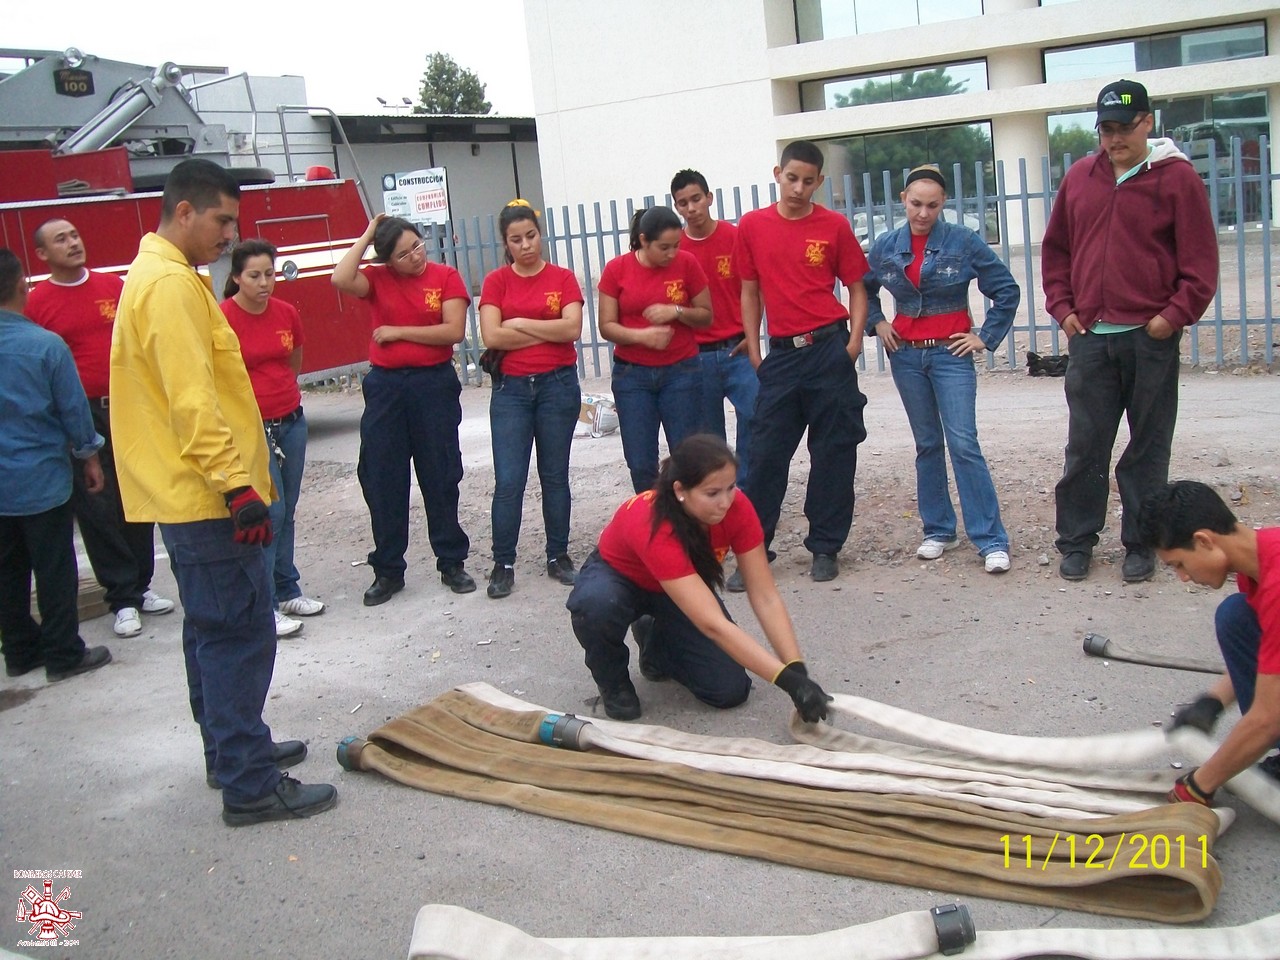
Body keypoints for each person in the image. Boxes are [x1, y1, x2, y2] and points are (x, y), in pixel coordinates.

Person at [111, 158, 336, 826]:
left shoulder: (155, 275)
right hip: (209, 498)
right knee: (239, 635)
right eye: (222, 220)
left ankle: (232, 750)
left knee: (211, 633)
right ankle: (249, 782)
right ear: (185, 212)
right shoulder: (172, 287)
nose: (231, 235)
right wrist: (238, 487)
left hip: (186, 496)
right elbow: (192, 400)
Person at [1042, 78, 1218, 585]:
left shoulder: (1176, 179)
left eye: (1123, 128)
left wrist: (1171, 317)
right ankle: (1076, 542)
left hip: (1150, 338)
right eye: (1105, 130)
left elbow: (1200, 264)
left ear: (1147, 123)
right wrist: (1064, 309)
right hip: (1092, 338)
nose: (1114, 139)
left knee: (1148, 448)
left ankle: (1140, 543)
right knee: (1086, 445)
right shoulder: (1080, 177)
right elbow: (1056, 252)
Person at [566, 433, 833, 723]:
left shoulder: (738, 509)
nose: (725, 502)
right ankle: (613, 683)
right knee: (597, 604)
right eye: (712, 493)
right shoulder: (653, 522)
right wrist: (789, 683)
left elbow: (765, 596)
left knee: (728, 690)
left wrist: (797, 669)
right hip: (619, 580)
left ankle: (656, 642)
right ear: (680, 490)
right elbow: (712, 624)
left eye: (731, 487)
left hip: (677, 587)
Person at [865, 165, 1019, 575]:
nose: (923, 213)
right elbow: (862, 289)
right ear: (903, 199)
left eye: (932, 205)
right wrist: (877, 322)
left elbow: (1005, 289)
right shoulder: (885, 245)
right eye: (916, 204)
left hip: (952, 354)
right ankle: (938, 529)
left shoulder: (963, 241)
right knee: (927, 443)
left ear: (943, 204)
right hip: (907, 355)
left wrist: (984, 337)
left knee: (964, 442)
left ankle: (990, 539)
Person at [27, 218, 176, 639]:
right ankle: (122, 597)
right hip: (79, 416)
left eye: (75, 234)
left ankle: (142, 585)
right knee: (97, 506)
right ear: (42, 254)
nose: (73, 243)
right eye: (61, 240)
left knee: (139, 496)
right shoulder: (39, 303)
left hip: (129, 406)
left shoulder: (114, 287)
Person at [731, 139, 869, 588]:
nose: (799, 187)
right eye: (792, 178)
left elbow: (857, 287)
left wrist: (851, 346)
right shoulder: (751, 226)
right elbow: (748, 291)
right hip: (782, 356)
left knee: (832, 451)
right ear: (777, 174)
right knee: (765, 455)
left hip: (829, 350)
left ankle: (825, 546)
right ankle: (754, 551)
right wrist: (754, 351)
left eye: (809, 181)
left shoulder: (833, 226)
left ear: (819, 182)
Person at [332, 214, 476, 604]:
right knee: (382, 477)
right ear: (387, 261)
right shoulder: (377, 281)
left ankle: (451, 561)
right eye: (403, 253)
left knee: (441, 472)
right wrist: (366, 234)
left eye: (417, 245)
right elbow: (340, 278)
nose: (415, 256)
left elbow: (453, 331)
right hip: (386, 388)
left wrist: (398, 331)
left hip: (433, 384)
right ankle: (388, 569)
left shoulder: (445, 276)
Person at [0, 248, 112, 683]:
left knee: (8, 569)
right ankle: (64, 652)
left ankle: (20, 650)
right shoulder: (45, 346)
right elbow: (73, 410)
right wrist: (90, 456)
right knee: (54, 566)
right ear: (22, 286)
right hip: (41, 476)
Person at [1137, 481, 1280, 807]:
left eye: (1179, 565)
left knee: (1236, 617)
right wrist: (1214, 701)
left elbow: (1270, 716)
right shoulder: (1261, 558)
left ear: (1203, 540)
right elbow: (1273, 658)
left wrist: (1199, 786)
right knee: (1237, 617)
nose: (1183, 577)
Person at [477, 200, 584, 599]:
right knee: (509, 480)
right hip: (512, 392)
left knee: (555, 475)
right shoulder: (496, 282)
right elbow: (493, 336)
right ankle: (503, 562)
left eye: (531, 236)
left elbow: (572, 328)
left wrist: (519, 323)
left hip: (558, 386)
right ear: (506, 244)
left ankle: (558, 555)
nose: (526, 245)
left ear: (540, 233)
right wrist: (547, 330)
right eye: (516, 240)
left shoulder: (563, 277)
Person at [220, 240, 325, 636]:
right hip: (251, 428)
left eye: (269, 274)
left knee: (290, 508)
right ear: (235, 278)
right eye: (254, 276)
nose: (264, 283)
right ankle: (262, 605)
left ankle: (287, 588)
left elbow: (293, 360)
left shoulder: (285, 313)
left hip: (291, 421)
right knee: (269, 512)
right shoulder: (224, 318)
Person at [597, 206, 712, 494]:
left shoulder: (687, 264)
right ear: (644, 240)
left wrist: (675, 311)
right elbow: (607, 326)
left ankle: (689, 525)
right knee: (640, 461)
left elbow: (706, 315)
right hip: (632, 376)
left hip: (681, 372)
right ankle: (652, 523)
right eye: (664, 247)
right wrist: (643, 336)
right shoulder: (616, 269)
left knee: (686, 457)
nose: (671, 253)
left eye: (676, 246)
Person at [670, 169, 759, 488]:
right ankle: (720, 493)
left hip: (737, 348)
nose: (691, 208)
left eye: (696, 199)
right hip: (696, 356)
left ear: (709, 198)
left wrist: (753, 336)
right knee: (709, 436)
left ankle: (746, 488)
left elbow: (754, 289)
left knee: (757, 415)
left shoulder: (734, 237)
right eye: (683, 203)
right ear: (677, 207)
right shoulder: (674, 248)